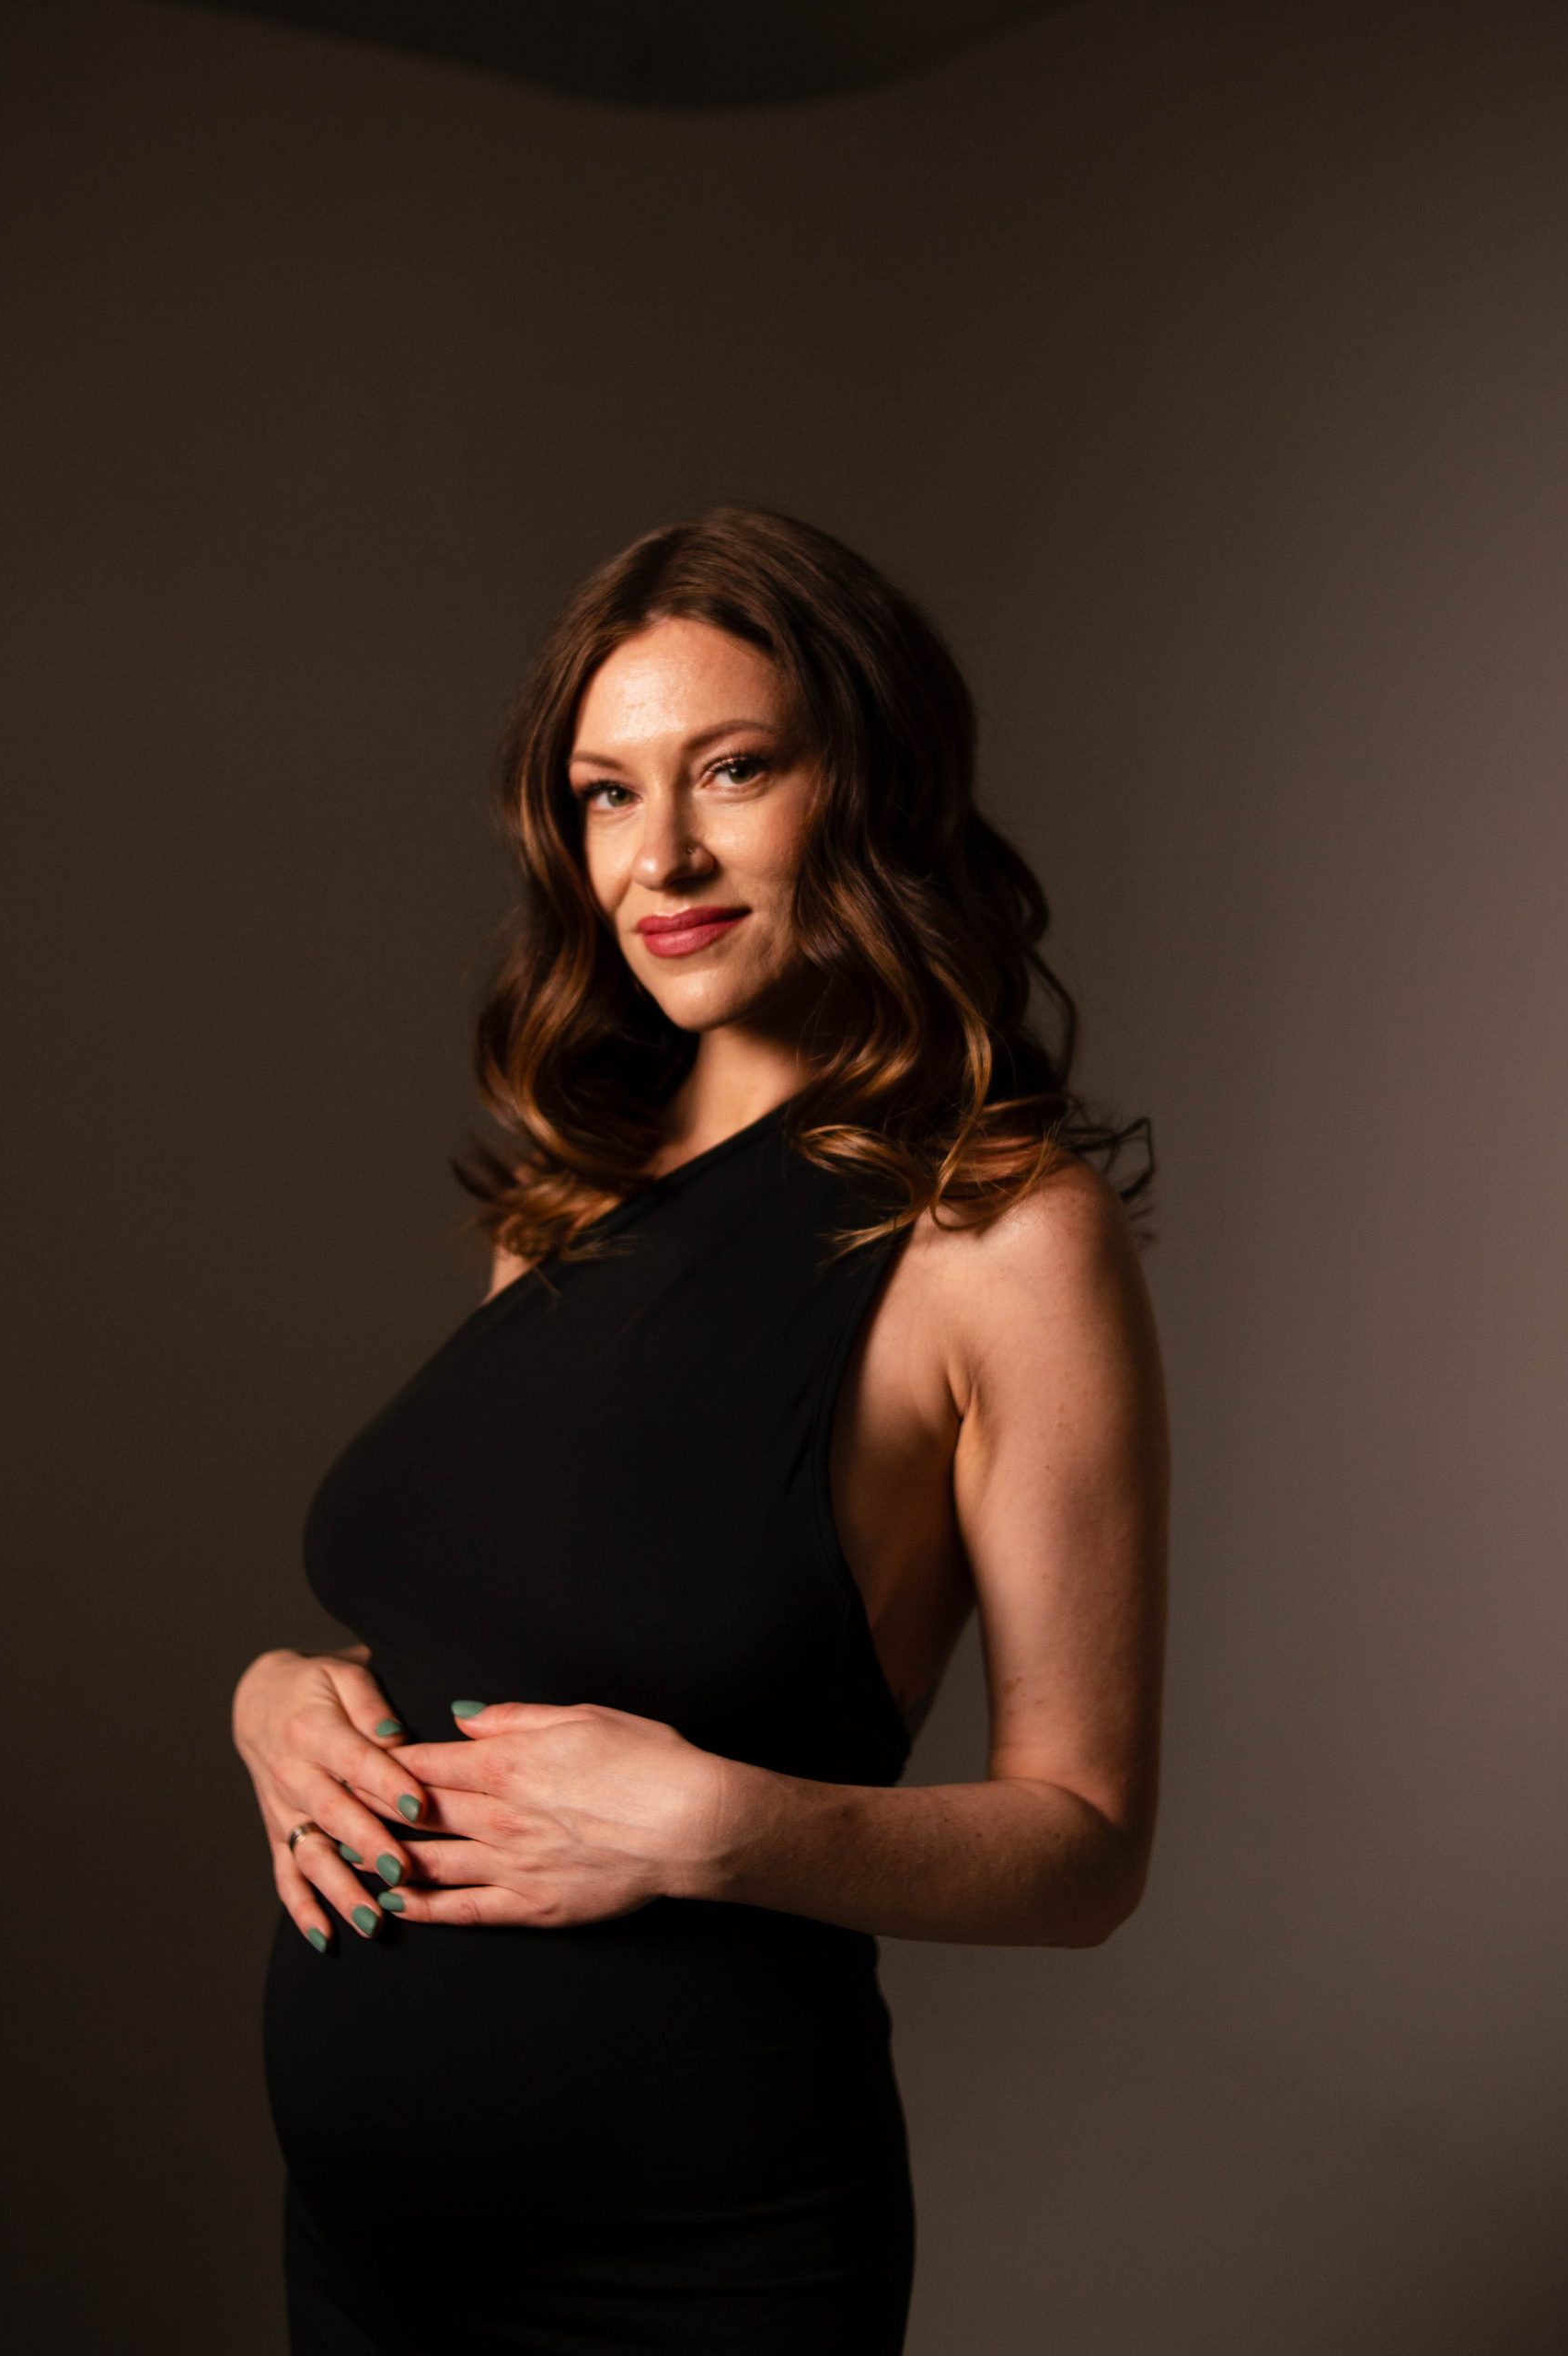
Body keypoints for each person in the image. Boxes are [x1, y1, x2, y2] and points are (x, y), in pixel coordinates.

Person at [233, 508, 1168, 2356]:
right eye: (606, 793)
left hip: (692, 2261)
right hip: (362, 2258)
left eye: (733, 770)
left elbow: (1089, 1845)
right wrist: (280, 1698)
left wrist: (727, 1827)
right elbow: (499, 1625)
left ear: (870, 783)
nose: (659, 854)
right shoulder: (572, 1194)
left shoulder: (1004, 1236)